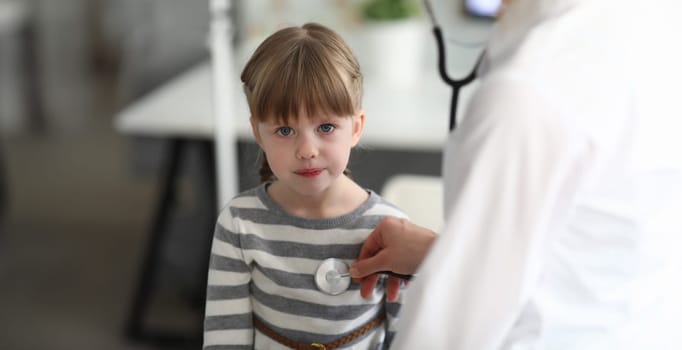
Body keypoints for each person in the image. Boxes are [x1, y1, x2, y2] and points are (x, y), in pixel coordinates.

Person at [349, 0, 682, 349]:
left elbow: (447, 336)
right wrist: (447, 254)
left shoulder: (530, 90)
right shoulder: (655, 24)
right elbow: (602, 248)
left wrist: (460, 269)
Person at [202, 23, 408, 350]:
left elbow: (409, 337)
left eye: (325, 127)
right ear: (258, 133)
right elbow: (224, 337)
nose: (307, 150)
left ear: (356, 128)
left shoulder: (391, 230)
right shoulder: (240, 223)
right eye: (285, 131)